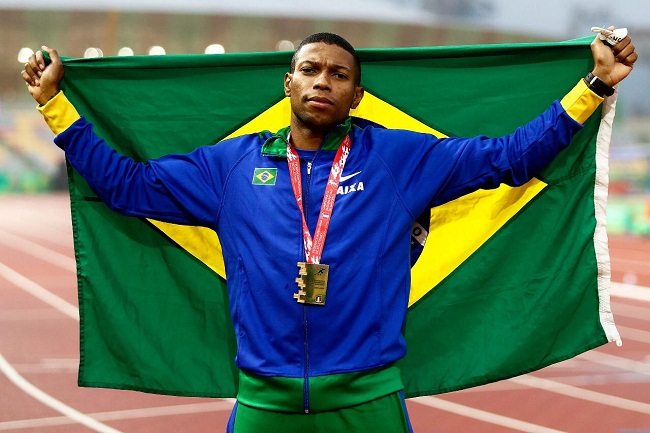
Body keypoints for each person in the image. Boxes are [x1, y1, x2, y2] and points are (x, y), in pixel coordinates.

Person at [22, 31, 637, 432]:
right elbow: (127, 186)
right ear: (287, 83)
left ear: (357, 94)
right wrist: (55, 105)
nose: (323, 81)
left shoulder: (398, 159)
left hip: (368, 400)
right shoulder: (230, 168)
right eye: (310, 69)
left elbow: (511, 157)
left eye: (339, 75)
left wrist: (595, 85)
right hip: (264, 401)